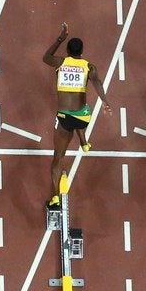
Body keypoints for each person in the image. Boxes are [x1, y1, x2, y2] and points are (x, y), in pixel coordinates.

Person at [43, 22, 114, 208]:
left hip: (64, 116)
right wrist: (105, 101)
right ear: (82, 52)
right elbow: (97, 83)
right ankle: (84, 142)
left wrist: (60, 38)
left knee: (57, 158)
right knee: (81, 116)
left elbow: (46, 57)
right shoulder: (89, 67)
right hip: (83, 116)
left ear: (67, 50)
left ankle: (55, 197)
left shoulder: (61, 62)